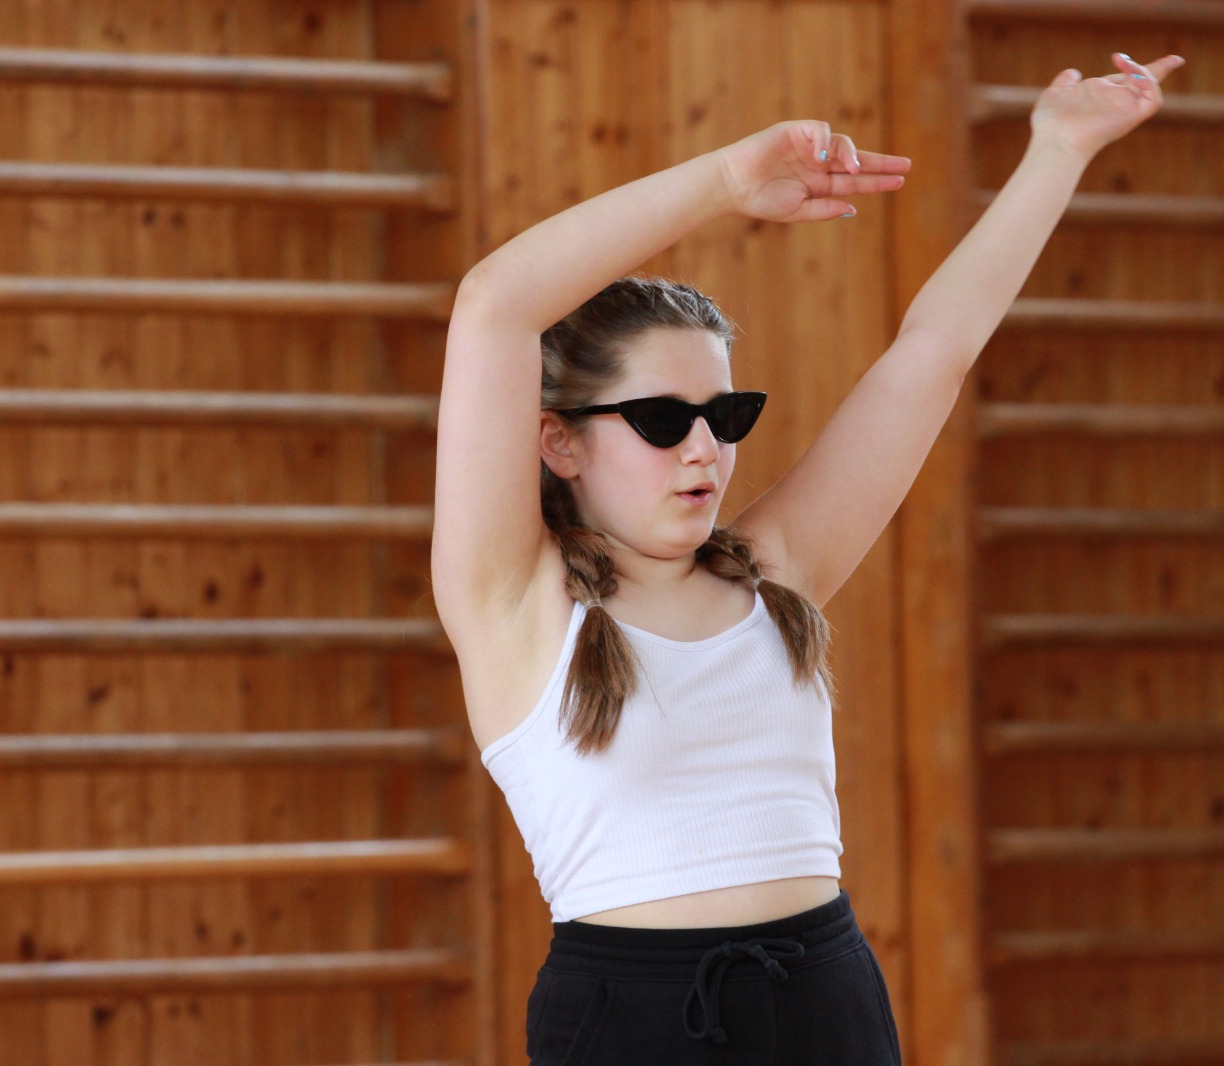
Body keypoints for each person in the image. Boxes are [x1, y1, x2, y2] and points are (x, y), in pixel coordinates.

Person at [434, 50, 1184, 1066]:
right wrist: (723, 181)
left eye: (725, 414)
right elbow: (494, 303)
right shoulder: (513, 605)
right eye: (662, 420)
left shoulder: (773, 571)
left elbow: (935, 348)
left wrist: (1059, 149)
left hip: (828, 1002)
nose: (704, 449)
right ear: (558, 441)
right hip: (634, 1021)